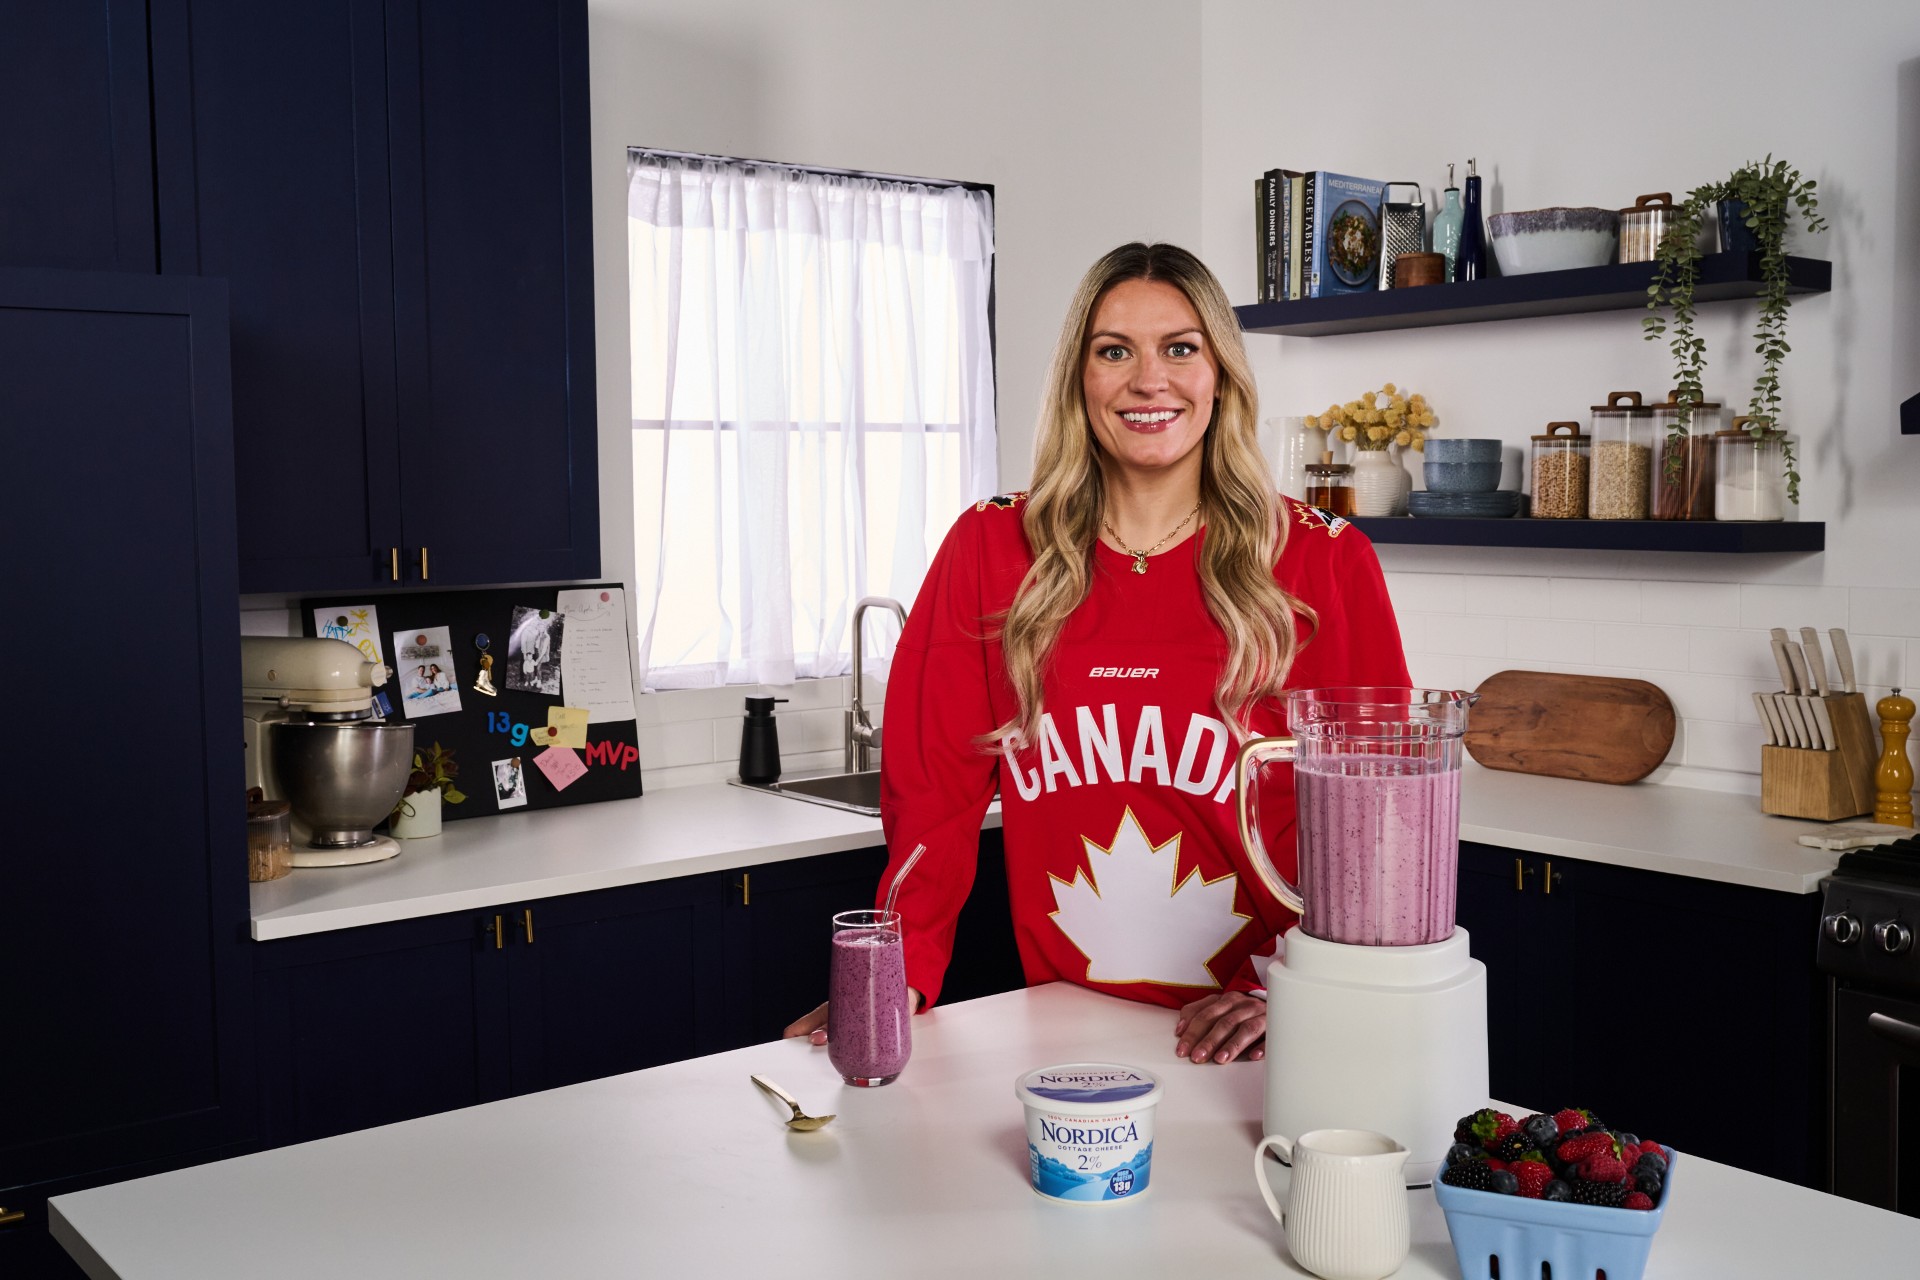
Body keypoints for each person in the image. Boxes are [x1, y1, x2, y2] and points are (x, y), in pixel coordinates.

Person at [784, 243, 1408, 1067]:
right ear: (1079, 378)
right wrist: (895, 972)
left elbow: (1379, 815)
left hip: (1258, 1037)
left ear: (1220, 374)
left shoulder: (1323, 559)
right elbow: (932, 801)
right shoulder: (990, 547)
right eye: (1114, 351)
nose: (1149, 381)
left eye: (1180, 348)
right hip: (1064, 1031)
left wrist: (1287, 986)